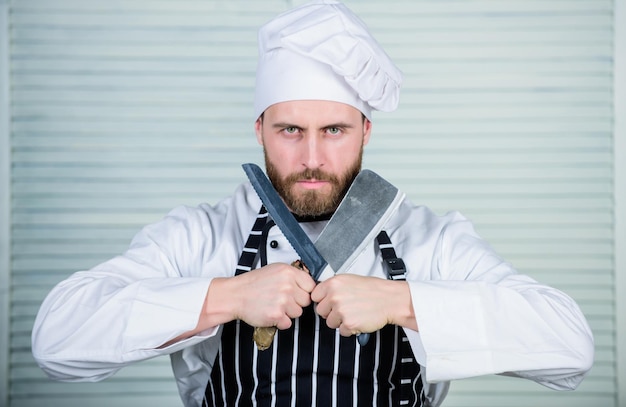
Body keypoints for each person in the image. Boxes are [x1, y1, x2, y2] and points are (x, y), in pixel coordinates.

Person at [32, 1, 594, 406]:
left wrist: (403, 304)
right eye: (289, 130)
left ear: (365, 131)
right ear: (259, 130)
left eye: (334, 130)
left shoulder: (431, 240)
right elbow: (56, 340)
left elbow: (570, 349)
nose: (312, 156)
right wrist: (226, 296)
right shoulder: (200, 235)